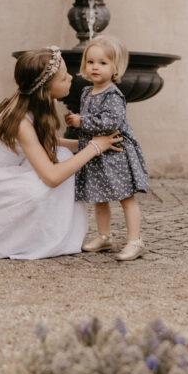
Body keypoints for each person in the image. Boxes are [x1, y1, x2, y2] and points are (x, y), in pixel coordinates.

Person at [0, 46, 121, 260]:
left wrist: (86, 144)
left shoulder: (37, 103)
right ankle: (28, 235)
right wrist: (94, 148)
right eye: (63, 77)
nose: (70, 78)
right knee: (59, 169)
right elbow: (51, 177)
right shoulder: (21, 121)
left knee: (64, 154)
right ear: (45, 88)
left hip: (14, 164)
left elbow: (45, 144)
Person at [65, 35, 148, 261]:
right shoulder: (86, 92)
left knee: (126, 198)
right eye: (90, 62)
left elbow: (110, 122)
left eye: (103, 63)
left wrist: (81, 121)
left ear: (115, 67)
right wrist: (76, 120)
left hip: (116, 153)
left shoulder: (113, 94)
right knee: (99, 197)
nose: (95, 67)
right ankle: (104, 237)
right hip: (97, 154)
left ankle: (135, 240)